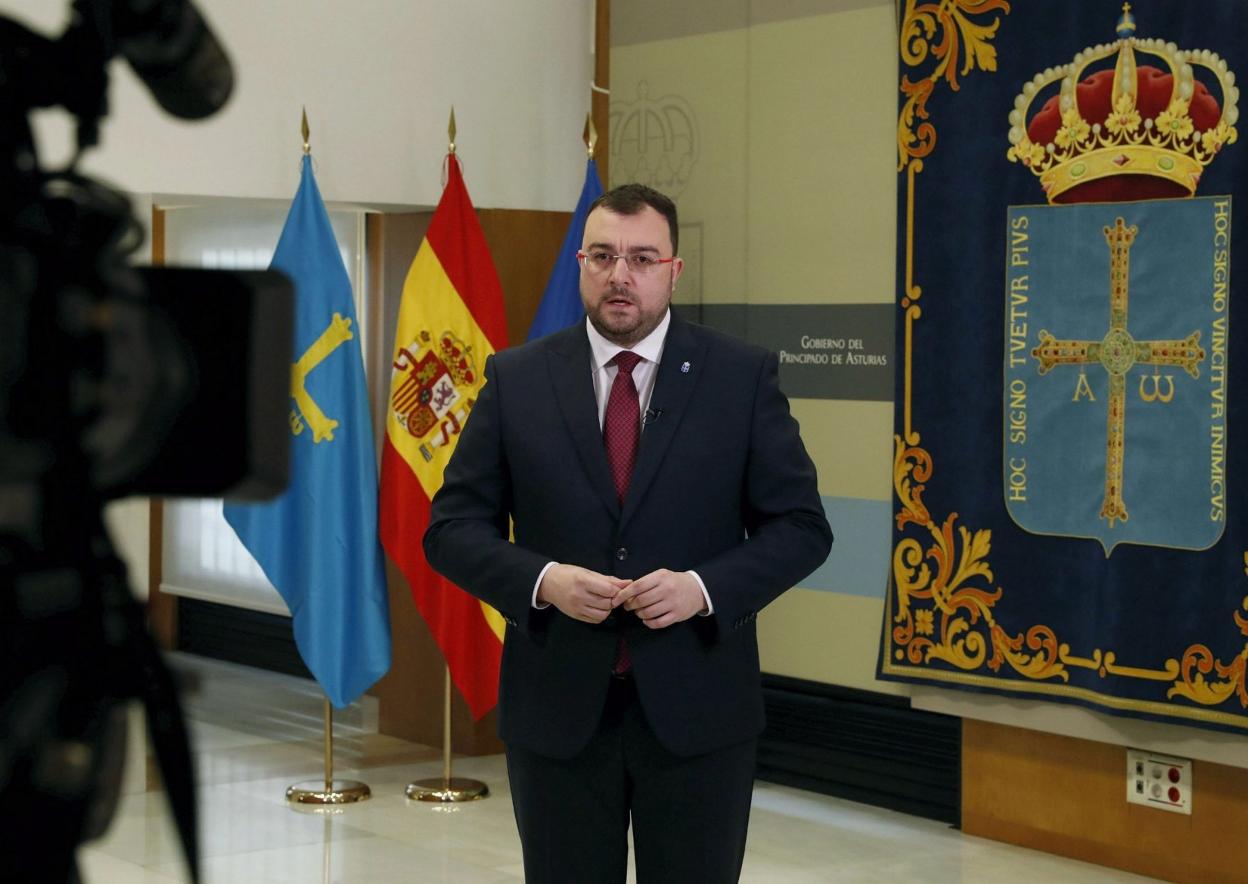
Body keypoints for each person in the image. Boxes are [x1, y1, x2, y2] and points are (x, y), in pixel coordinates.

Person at [423, 183, 832, 883]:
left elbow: (800, 527)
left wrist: (703, 589)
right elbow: (452, 528)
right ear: (581, 263)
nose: (621, 275)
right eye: (604, 255)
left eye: (642, 258)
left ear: (673, 270)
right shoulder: (516, 379)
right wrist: (543, 581)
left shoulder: (740, 376)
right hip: (557, 715)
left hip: (700, 713)